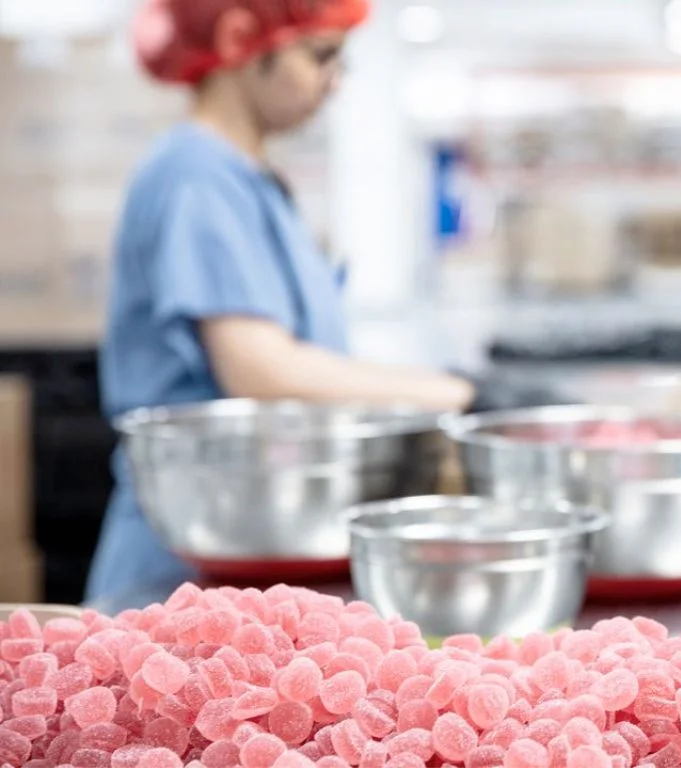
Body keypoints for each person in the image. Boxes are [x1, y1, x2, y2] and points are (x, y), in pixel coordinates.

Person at [88, 0, 479, 603]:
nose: (335, 81)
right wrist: (459, 393)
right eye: (320, 56)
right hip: (189, 558)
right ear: (242, 42)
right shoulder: (195, 176)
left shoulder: (249, 178)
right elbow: (261, 369)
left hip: (251, 539)